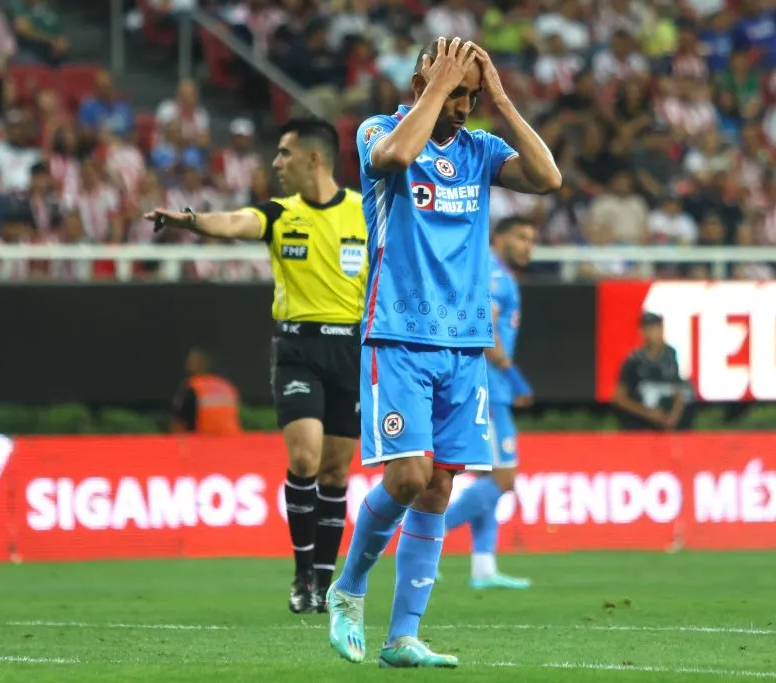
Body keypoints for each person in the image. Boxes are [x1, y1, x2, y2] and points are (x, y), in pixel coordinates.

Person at [325, 36, 561, 668]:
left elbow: (548, 177)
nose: (463, 106)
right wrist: (437, 84)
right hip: (398, 334)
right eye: (455, 94)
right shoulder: (383, 129)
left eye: (469, 95)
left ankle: (403, 637)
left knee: (437, 490)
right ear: (422, 85)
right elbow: (394, 157)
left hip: (464, 347)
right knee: (404, 479)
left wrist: (503, 100)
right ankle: (348, 588)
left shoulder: (481, 150)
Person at [143, 118, 368, 614]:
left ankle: (326, 586)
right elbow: (233, 222)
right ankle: (302, 574)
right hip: (296, 350)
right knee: (305, 459)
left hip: (350, 351)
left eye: (284, 154)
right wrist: (190, 220)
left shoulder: (364, 211)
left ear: (315, 158)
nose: (276, 164)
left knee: (335, 471)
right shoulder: (279, 214)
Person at [444, 215, 536, 590]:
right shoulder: (494, 274)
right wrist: (513, 376)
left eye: (531, 238)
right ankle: (428, 531)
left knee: (486, 476)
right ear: (499, 237)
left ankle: (483, 566)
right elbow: (486, 328)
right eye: (520, 236)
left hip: (484, 384)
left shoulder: (492, 270)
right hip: (490, 386)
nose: (527, 244)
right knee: (504, 477)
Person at [611, 312, 694, 431]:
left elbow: (679, 388)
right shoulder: (634, 361)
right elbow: (619, 397)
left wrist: (673, 416)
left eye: (658, 327)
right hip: (641, 427)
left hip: (668, 426)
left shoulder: (671, 355)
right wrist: (647, 413)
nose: (656, 332)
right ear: (643, 332)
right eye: (650, 329)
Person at [170, 348, 242, 435]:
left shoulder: (190, 388)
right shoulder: (226, 386)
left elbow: (178, 424)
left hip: (204, 442)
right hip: (231, 442)